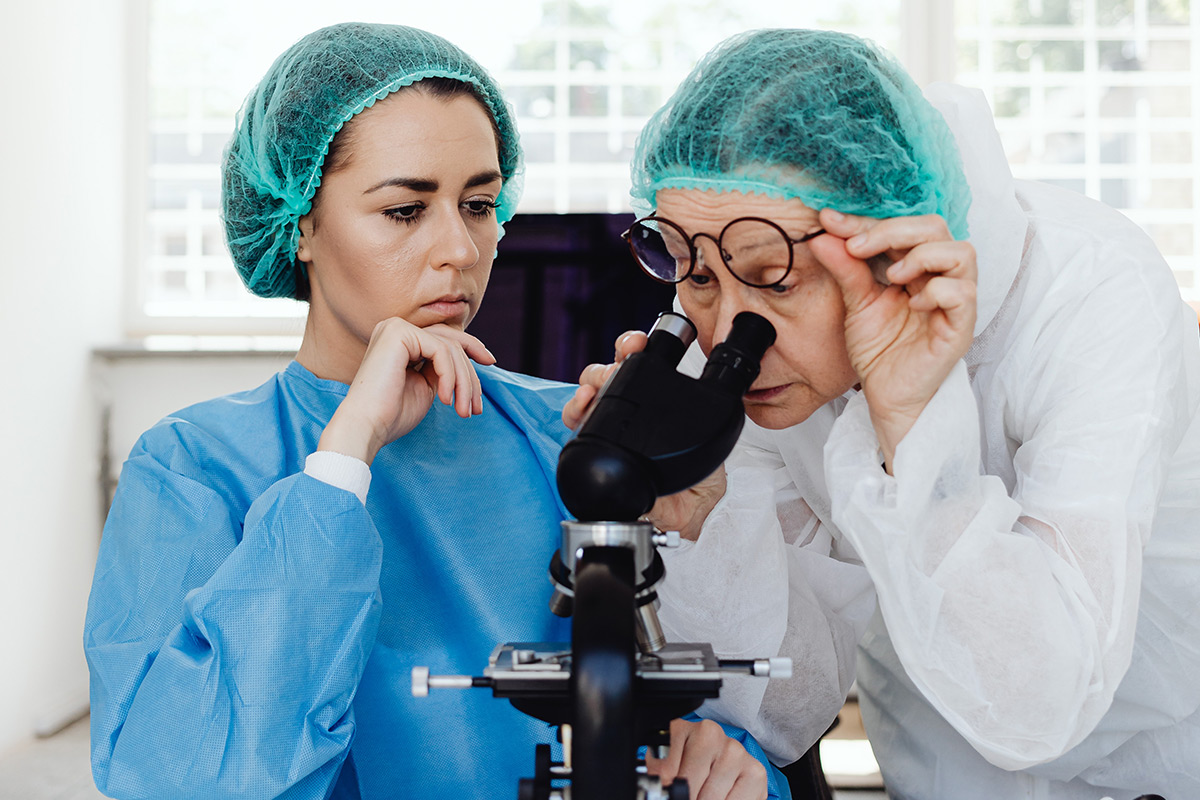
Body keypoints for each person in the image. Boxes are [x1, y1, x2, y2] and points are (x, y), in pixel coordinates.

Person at [83, 22, 785, 800]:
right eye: (405, 210)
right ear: (301, 224)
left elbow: (725, 714)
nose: (461, 248)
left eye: (479, 204)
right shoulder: (194, 466)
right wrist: (345, 455)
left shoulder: (578, 438)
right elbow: (182, 776)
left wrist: (722, 761)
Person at [565, 28, 1200, 799]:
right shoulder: (752, 372)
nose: (728, 335)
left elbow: (1041, 704)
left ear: (884, 245)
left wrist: (910, 422)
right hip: (939, 775)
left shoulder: (1092, 298)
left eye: (775, 278)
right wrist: (698, 525)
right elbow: (788, 708)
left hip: (1152, 767)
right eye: (694, 276)